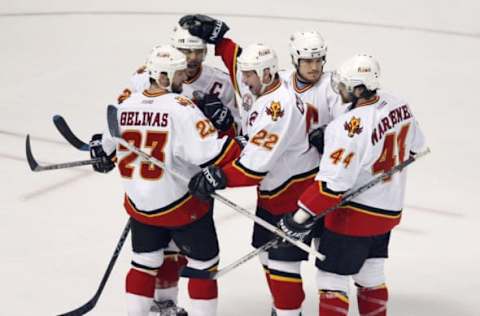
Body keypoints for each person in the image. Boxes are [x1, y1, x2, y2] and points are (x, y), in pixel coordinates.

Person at [90, 44, 242, 316]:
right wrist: (239, 143)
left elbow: (106, 150)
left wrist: (98, 151)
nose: (184, 79)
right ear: (163, 76)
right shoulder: (181, 107)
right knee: (204, 263)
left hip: (141, 206)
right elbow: (210, 153)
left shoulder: (125, 105)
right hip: (183, 205)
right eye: (179, 74)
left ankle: (156, 308)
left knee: (145, 261)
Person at [181, 22, 320, 314]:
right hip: (274, 190)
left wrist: (217, 176)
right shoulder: (263, 85)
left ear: (267, 73)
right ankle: (284, 308)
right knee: (266, 252)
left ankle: (288, 313)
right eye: (244, 73)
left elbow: (252, 169)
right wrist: (221, 41)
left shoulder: (277, 108)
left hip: (291, 195)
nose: (243, 80)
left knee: (283, 262)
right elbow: (236, 66)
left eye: (248, 75)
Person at [278, 54, 427, 316]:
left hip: (353, 217)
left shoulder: (346, 127)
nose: (340, 89)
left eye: (346, 86)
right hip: (388, 211)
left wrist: (297, 219)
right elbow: (415, 149)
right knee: (371, 275)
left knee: (331, 280)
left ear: (360, 89)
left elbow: (330, 187)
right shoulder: (398, 104)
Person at [119, 25, 240, 138]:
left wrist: (224, 124)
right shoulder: (147, 76)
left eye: (198, 52)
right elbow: (122, 115)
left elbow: (239, 131)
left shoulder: (223, 82)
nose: (192, 58)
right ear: (174, 51)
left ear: (205, 52)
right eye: (186, 51)